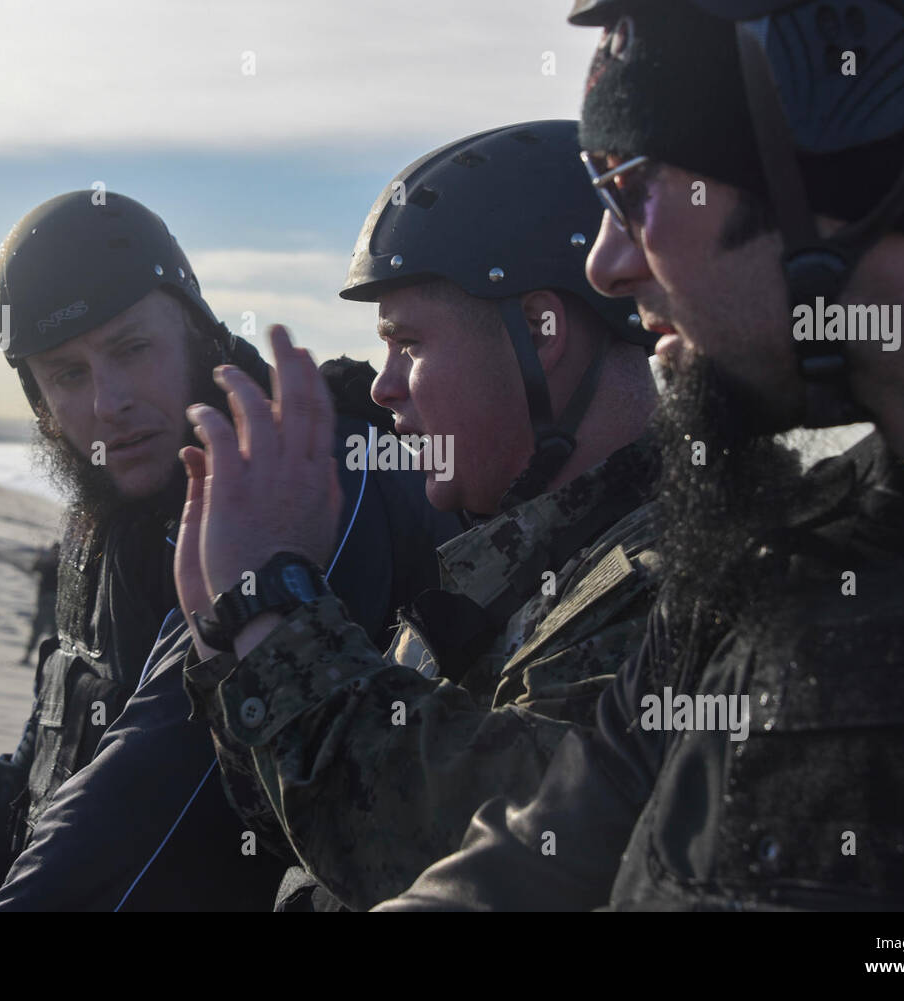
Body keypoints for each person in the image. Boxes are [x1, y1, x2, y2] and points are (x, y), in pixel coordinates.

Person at [380, 0, 904, 910]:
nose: (606, 265)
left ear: (822, 163)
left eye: (628, 184)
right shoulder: (767, 559)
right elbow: (527, 866)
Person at [0, 190, 458, 912]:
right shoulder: (108, 505)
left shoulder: (290, 477)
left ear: (199, 332)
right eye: (67, 374)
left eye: (131, 349)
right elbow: (55, 726)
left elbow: (159, 785)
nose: (106, 401)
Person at [176, 120, 664, 911]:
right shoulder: (504, 565)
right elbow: (324, 830)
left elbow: (481, 852)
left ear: (542, 332)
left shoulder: (672, 579)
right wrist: (227, 638)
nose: (383, 387)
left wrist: (273, 609)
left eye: (408, 343)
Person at [18, 542, 60, 666]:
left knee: (50, 632)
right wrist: (40, 556)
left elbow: (35, 568)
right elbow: (35, 568)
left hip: (52, 603)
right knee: (41, 631)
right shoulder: (51, 565)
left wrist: (40, 557)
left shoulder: (57, 566)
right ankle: (31, 656)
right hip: (46, 602)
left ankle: (52, 660)